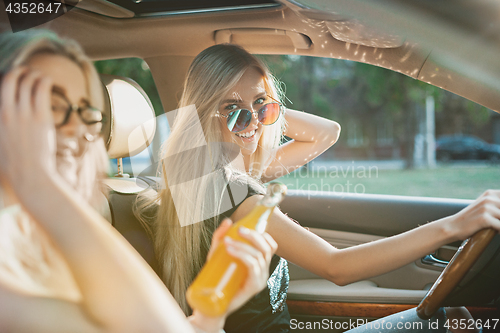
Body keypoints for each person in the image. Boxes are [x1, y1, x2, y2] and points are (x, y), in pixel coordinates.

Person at [143, 43, 500, 333]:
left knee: (454, 318)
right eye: (232, 109)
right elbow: (337, 267)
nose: (251, 120)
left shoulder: (220, 176)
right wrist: (455, 224)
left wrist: (259, 113)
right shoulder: (236, 193)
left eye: (261, 105)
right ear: (206, 114)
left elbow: (327, 132)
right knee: (453, 321)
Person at [0, 30, 278, 333]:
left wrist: (209, 316)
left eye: (86, 112)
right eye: (48, 105)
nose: (76, 128)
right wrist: (40, 183)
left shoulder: (53, 230)